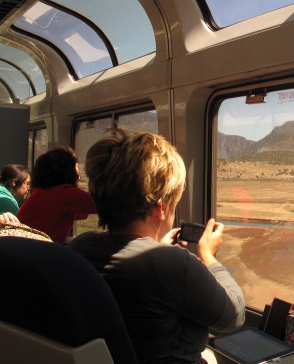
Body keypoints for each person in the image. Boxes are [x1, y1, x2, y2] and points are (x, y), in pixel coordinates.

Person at [68, 129, 245, 364]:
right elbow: (233, 316)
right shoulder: (172, 264)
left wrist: (156, 247)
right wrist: (208, 256)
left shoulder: (80, 247)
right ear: (161, 208)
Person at [17, 146, 96, 243]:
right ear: (67, 170)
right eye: (75, 167)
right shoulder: (64, 194)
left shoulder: (43, 193)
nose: (78, 172)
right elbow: (106, 204)